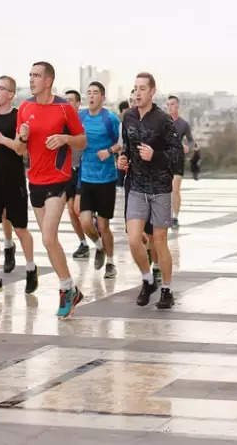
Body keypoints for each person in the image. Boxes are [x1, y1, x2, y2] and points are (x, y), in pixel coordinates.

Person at [18, 62, 88, 319]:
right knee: (50, 243)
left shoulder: (64, 108)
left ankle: (65, 289)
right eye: (30, 75)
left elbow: (82, 140)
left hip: (58, 179)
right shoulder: (24, 108)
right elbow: (18, 149)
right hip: (34, 180)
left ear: (48, 80)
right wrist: (22, 138)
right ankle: (70, 287)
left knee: (48, 237)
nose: (32, 79)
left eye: (36, 75)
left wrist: (65, 139)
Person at [118, 72, 180, 310]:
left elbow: (176, 154)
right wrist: (123, 158)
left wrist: (155, 155)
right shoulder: (129, 117)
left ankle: (166, 289)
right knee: (134, 239)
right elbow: (127, 146)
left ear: (153, 92)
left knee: (159, 241)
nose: (137, 93)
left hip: (160, 188)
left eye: (142, 88)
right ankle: (147, 279)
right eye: (135, 88)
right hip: (136, 186)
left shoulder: (163, 120)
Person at [0, 76, 38, 296]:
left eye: (2, 89)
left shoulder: (18, 118)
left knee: (20, 229)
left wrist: (1, 138)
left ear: (11, 94)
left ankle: (31, 268)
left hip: (14, 180)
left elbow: (20, 149)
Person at [77, 81, 121, 278]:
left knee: (103, 225)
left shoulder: (110, 119)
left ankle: (111, 262)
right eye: (89, 93)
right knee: (85, 222)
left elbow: (121, 143)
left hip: (106, 178)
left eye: (95, 93)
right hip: (86, 177)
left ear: (103, 97)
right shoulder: (81, 117)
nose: (91, 96)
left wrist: (109, 151)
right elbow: (75, 138)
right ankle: (99, 245)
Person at [63, 89, 91, 260]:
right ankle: (83, 243)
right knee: (71, 211)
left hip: (83, 170)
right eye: (65, 100)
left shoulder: (85, 121)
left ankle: (93, 227)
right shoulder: (61, 121)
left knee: (77, 208)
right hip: (68, 171)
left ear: (79, 103)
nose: (68, 103)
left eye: (71, 100)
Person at [167, 95, 194, 229]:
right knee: (165, 190)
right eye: (168, 105)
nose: (170, 107)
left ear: (177, 106)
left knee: (175, 189)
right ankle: (164, 215)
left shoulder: (184, 124)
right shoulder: (163, 122)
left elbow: (190, 140)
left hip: (178, 159)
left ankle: (175, 217)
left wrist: (188, 146)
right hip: (164, 160)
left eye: (172, 104)